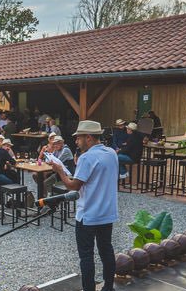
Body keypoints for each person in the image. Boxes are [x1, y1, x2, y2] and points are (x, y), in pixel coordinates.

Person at [48, 120, 118, 291]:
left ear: (88, 138)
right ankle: (108, 286)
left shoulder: (87, 157)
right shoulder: (111, 153)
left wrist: (60, 170)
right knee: (106, 250)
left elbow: (73, 186)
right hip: (107, 212)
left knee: (86, 256)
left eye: (78, 138)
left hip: (88, 214)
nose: (76, 142)